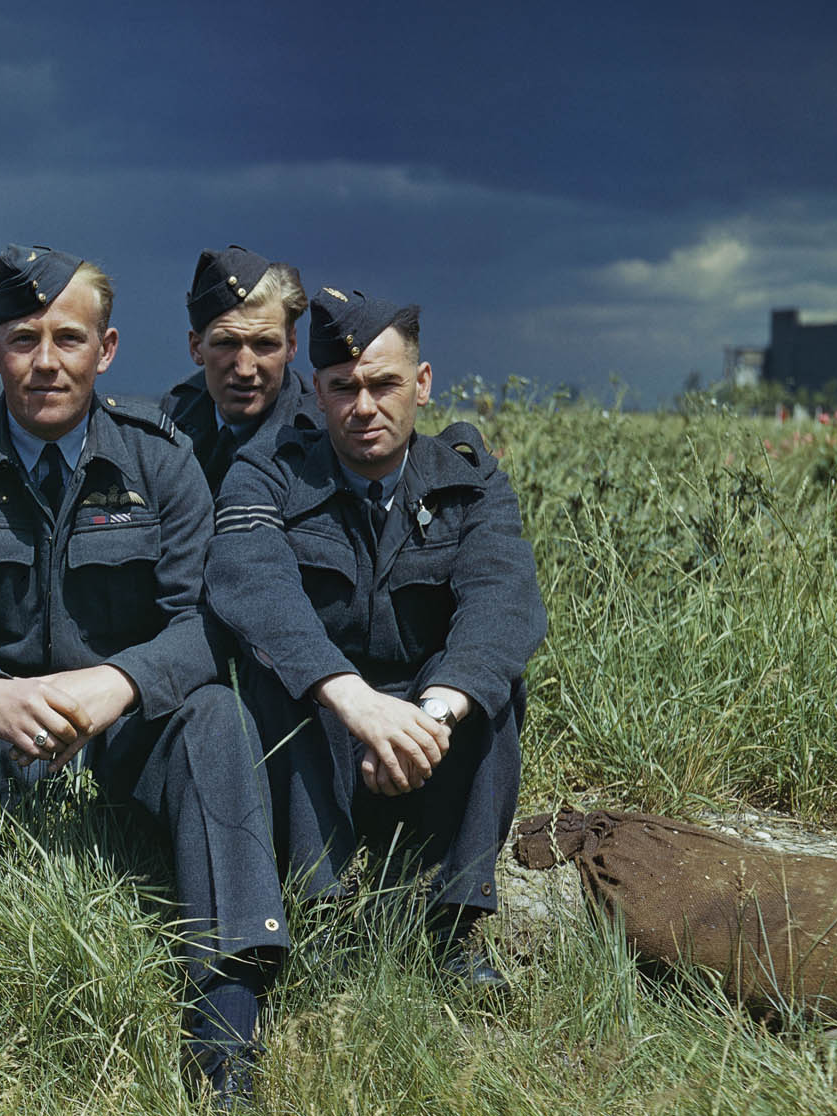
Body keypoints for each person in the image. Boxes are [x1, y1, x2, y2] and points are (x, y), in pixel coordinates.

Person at [0, 245, 288, 1105]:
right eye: (23, 339)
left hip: (123, 730)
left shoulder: (160, 459)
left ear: (106, 349)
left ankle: (226, 1032)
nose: (45, 362)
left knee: (217, 719)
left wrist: (116, 685)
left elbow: (203, 625)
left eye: (68, 339)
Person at [205, 287, 546, 989]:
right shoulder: (268, 473)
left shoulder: (469, 481)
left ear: (422, 384)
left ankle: (451, 926)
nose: (363, 407)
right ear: (317, 391)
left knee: (494, 687)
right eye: (343, 388)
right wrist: (355, 703)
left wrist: (430, 721)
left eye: (384, 384)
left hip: (426, 735)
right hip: (321, 737)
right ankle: (320, 915)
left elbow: (502, 602)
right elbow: (252, 584)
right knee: (273, 675)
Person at [158, 245, 319, 494]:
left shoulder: (321, 435)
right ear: (196, 347)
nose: (245, 370)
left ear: (292, 345)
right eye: (227, 343)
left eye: (265, 344)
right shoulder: (175, 414)